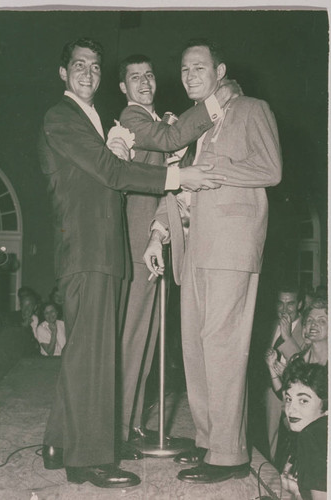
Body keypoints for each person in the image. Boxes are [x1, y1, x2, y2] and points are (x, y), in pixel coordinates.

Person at [37, 37, 225, 489]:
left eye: (95, 67)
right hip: (88, 248)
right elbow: (112, 172)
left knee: (87, 352)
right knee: (92, 358)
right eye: (79, 66)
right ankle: (87, 461)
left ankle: (59, 443)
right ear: (63, 74)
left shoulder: (95, 117)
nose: (88, 74)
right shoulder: (61, 117)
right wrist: (179, 176)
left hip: (102, 248)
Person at [144, 38, 282, 483]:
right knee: (197, 349)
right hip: (195, 247)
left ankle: (230, 456)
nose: (189, 76)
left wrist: (209, 175)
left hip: (232, 245)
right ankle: (209, 443)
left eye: (198, 68)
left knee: (223, 349)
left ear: (220, 71)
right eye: (184, 70)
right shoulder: (196, 124)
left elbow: (270, 169)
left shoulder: (251, 108)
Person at [116, 53, 241, 452]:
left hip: (159, 235)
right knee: (133, 334)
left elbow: (172, 144)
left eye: (150, 74)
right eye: (134, 77)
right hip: (137, 238)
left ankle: (133, 423)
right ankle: (116, 431)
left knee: (149, 334)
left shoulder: (160, 121)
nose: (145, 82)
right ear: (124, 88)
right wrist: (217, 100)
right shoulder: (132, 120)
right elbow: (172, 142)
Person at [264, 284, 306, 462]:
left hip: (292, 395)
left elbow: (304, 363)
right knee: (268, 441)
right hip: (269, 392)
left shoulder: (308, 328)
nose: (284, 309)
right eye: (280, 303)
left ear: (300, 304)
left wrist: (287, 335)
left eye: (290, 304)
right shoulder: (269, 323)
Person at [281, 356, 327, 500]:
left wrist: (296, 492)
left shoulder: (311, 436)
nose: (291, 410)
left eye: (303, 401)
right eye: (289, 399)